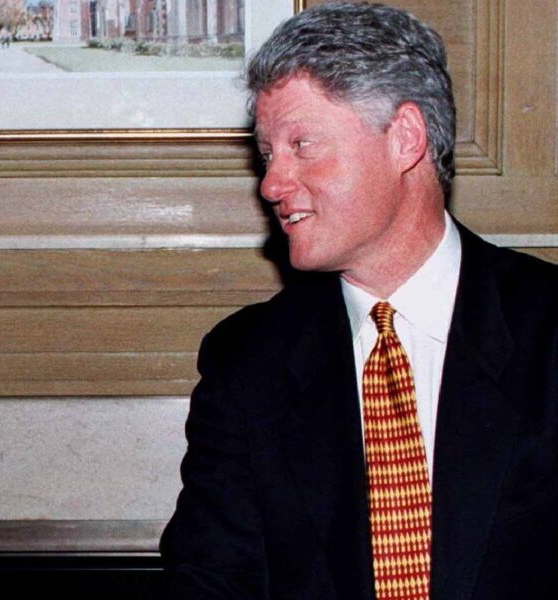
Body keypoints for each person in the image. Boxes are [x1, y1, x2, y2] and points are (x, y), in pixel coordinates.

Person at [161, 2, 558, 598]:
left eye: (302, 144)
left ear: (404, 139)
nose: (271, 184)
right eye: (269, 154)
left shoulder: (550, 329)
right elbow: (214, 581)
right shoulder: (248, 361)